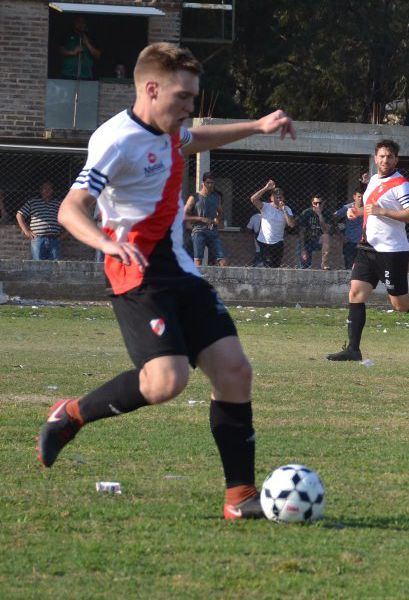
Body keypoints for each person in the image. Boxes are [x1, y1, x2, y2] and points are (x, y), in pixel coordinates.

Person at [36, 42, 297, 521]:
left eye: (192, 99)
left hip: (180, 270)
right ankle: (71, 414)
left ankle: (239, 496)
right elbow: (70, 208)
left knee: (235, 371)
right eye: (182, 98)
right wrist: (107, 242)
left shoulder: (169, 129)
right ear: (151, 89)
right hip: (136, 275)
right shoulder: (115, 140)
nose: (189, 109)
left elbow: (195, 139)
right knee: (166, 382)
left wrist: (257, 127)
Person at [326, 139, 409, 361]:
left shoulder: (402, 184)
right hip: (367, 248)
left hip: (392, 252)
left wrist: (381, 210)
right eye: (381, 156)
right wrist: (357, 212)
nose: (385, 160)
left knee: (400, 305)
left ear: (396, 159)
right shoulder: (373, 180)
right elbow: (371, 208)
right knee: (355, 294)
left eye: (389, 156)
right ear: (375, 158)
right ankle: (353, 350)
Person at [184, 172, 227, 266]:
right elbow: (183, 216)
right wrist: (200, 218)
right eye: (208, 182)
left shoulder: (216, 197)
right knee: (198, 260)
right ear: (203, 183)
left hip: (212, 231)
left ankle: (226, 280)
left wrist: (218, 219)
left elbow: (221, 212)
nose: (210, 185)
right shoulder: (194, 197)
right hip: (198, 231)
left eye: (212, 183)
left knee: (222, 259)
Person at [249, 180, 296, 268]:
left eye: (280, 197)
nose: (278, 199)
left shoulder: (287, 209)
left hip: (278, 242)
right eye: (276, 197)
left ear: (283, 198)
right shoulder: (265, 206)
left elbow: (291, 224)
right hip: (264, 241)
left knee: (275, 266)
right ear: (271, 198)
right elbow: (253, 199)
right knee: (267, 266)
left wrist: (284, 210)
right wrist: (266, 188)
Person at [17, 181, 63, 260]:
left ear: (53, 190)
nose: (47, 190)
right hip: (38, 239)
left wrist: (65, 234)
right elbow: (19, 215)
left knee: (55, 267)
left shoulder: (58, 204)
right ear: (40, 190)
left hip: (54, 240)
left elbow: (68, 217)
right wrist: (26, 231)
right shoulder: (33, 202)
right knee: (38, 266)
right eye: (44, 188)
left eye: (49, 188)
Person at [60, 15, 101, 80]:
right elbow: (60, 51)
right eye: (78, 22)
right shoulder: (67, 35)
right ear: (74, 23)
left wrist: (87, 44)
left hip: (86, 75)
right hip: (68, 74)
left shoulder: (90, 37)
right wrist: (72, 52)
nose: (81, 24)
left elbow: (98, 55)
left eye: (83, 22)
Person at [298, 195, 331, 269]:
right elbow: (301, 232)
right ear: (312, 203)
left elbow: (326, 230)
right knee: (305, 265)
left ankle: (324, 263)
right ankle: (305, 265)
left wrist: (319, 215)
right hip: (307, 241)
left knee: (326, 236)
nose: (317, 205)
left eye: (320, 203)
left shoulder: (327, 213)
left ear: (324, 203)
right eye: (315, 203)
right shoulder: (306, 213)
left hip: (319, 240)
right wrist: (303, 250)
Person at [334, 189, 364, 270]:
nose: (361, 199)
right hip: (350, 242)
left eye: (363, 196)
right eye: (359, 197)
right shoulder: (347, 208)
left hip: (364, 243)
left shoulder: (369, 208)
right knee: (349, 267)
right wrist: (340, 235)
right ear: (354, 197)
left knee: (362, 268)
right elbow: (334, 218)